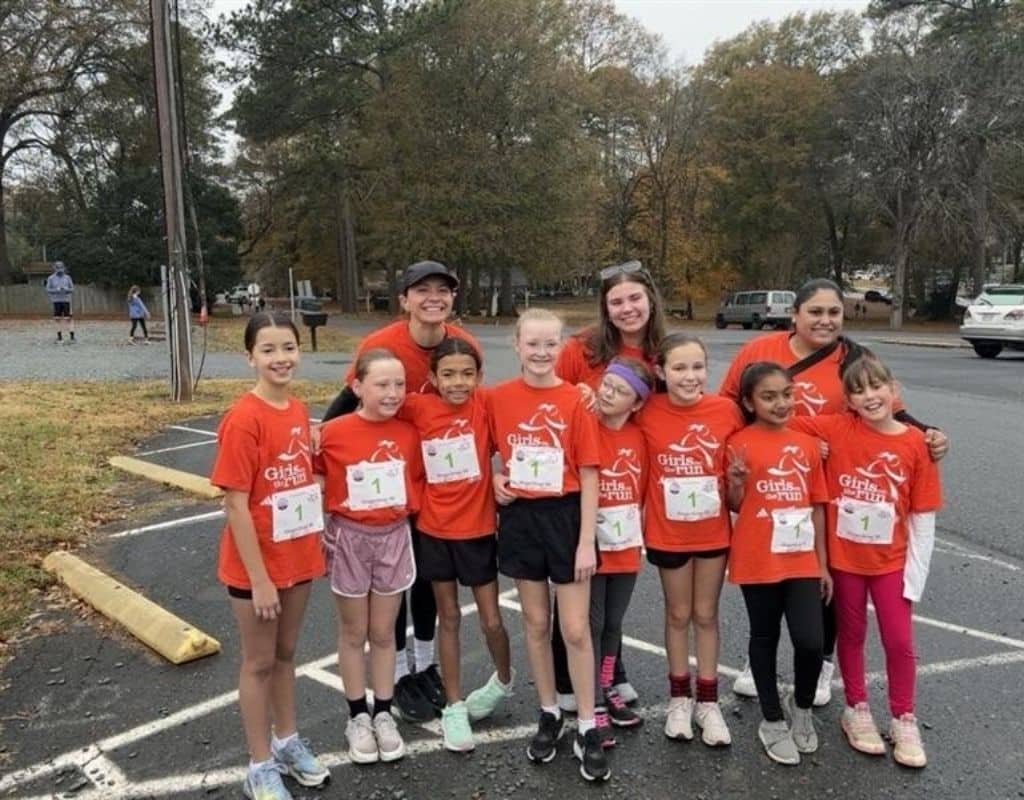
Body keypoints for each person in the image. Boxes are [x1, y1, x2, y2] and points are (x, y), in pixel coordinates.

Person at [719, 277, 949, 703]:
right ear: (795, 315)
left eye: (834, 313)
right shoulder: (758, 351)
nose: (826, 321)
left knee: (824, 577)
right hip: (776, 480)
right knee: (769, 567)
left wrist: (929, 435)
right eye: (816, 312)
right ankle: (761, 655)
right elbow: (730, 405)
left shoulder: (855, 357)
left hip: (837, 482)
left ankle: (822, 660)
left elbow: (892, 411)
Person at [321, 260, 481, 722]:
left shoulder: (462, 345)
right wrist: (321, 440)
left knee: (426, 575)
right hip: (384, 478)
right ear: (404, 299)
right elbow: (347, 405)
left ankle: (423, 664)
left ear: (453, 297)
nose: (434, 298)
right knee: (393, 585)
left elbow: (472, 409)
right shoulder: (380, 346)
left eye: (443, 290)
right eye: (422, 290)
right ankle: (399, 674)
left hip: (435, 481)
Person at [787, 352, 942, 768]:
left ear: (894, 391)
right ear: (848, 402)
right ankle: (855, 707)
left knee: (899, 640)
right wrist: (809, 443)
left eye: (876, 386)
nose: (869, 396)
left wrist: (917, 575)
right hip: (845, 561)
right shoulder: (836, 428)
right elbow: (780, 422)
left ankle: (903, 715)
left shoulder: (915, 442)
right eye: (857, 391)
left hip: (891, 561)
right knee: (850, 636)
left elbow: (923, 515)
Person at [209, 312, 329, 800]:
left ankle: (287, 741)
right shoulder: (243, 419)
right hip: (254, 565)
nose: (280, 358)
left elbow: (299, 478)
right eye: (269, 350)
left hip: (297, 556)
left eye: (288, 348)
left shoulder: (298, 410)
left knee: (286, 655)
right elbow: (235, 502)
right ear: (251, 357)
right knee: (258, 662)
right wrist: (258, 579)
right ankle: (259, 763)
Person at [488, 309, 608, 782]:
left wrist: (585, 542)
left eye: (550, 344)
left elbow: (591, 471)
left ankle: (586, 723)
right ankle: (548, 712)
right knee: (536, 622)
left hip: (566, 515)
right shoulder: (496, 398)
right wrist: (496, 478)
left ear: (562, 348)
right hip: (521, 518)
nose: (541, 352)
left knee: (575, 629)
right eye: (532, 343)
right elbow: (484, 452)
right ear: (516, 346)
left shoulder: (577, 401)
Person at [552, 260, 667, 711]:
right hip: (578, 499)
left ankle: (609, 675)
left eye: (635, 297)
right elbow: (550, 401)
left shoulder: (662, 352)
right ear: (605, 307)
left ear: (651, 299)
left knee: (611, 615)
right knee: (583, 610)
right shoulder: (582, 349)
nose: (626, 308)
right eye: (616, 301)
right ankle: (577, 688)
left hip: (625, 509)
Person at [398, 338, 515, 752]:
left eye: (467, 374)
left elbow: (528, 416)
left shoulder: (487, 404)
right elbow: (369, 405)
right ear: (432, 377)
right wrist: (320, 431)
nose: (458, 382)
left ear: (480, 377)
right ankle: (453, 706)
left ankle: (503, 679)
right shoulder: (417, 406)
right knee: (448, 616)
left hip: (478, 531)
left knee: (491, 620)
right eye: (448, 374)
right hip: (434, 531)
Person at [634, 333, 744, 748]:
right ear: (661, 371)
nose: (690, 376)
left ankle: (709, 702)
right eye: (679, 368)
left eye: (698, 366)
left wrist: (737, 484)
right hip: (668, 532)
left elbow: (739, 480)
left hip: (713, 530)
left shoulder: (725, 411)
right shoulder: (647, 411)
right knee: (678, 614)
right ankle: (679, 698)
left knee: (706, 614)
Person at [315, 348, 424, 766]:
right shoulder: (332, 432)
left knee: (384, 633)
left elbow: (416, 482)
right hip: (349, 539)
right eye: (382, 384)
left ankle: (383, 712)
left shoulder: (409, 434)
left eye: (399, 384)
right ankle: (357, 715)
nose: (393, 392)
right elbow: (314, 477)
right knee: (353, 630)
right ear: (357, 387)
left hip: (393, 537)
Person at [725, 361, 831, 766]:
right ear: (749, 403)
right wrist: (736, 481)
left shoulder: (805, 444)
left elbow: (818, 506)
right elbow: (734, 504)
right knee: (764, 636)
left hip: (801, 557)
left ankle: (801, 707)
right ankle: (770, 717)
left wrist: (822, 565)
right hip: (757, 554)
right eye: (769, 397)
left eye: (787, 394)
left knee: (811, 641)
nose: (781, 402)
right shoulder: (738, 442)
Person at [588, 357, 654, 748]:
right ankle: (593, 701)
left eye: (620, 391)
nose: (608, 393)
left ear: (637, 403)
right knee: (592, 623)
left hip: (625, 543)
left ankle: (608, 683)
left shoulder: (639, 438)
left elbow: (643, 489)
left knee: (614, 622)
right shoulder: (586, 426)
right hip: (591, 546)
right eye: (606, 385)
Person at [45, 261, 75, 344]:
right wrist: (56, 290)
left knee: (68, 319)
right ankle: (59, 337)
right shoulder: (51, 278)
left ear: (64, 268)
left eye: (61, 268)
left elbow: (72, 289)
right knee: (57, 319)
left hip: (66, 300)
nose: (59, 269)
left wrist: (66, 289)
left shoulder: (68, 277)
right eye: (57, 268)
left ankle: (72, 337)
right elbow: (47, 289)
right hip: (56, 301)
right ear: (54, 268)